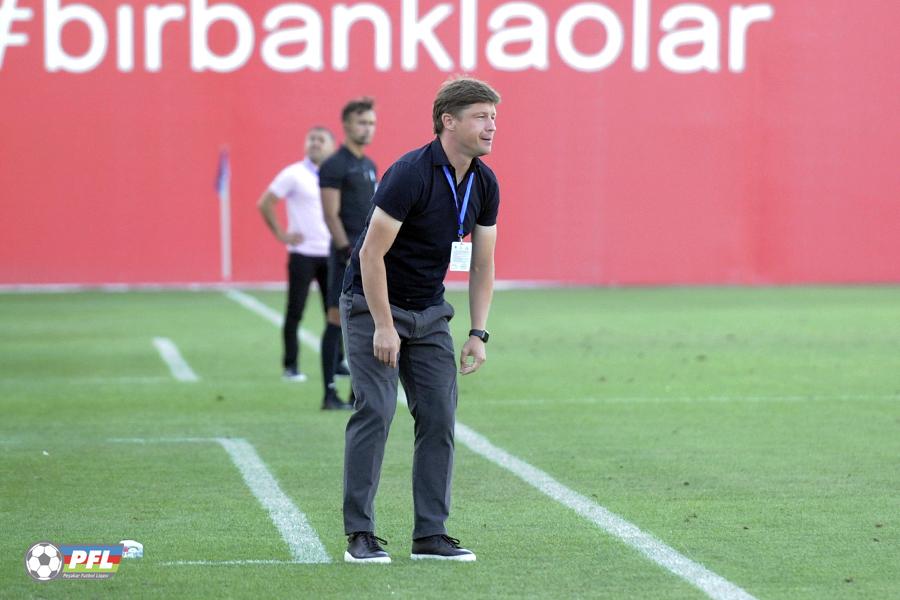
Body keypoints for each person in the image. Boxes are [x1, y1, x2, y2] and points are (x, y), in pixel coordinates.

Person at [340, 77, 501, 563]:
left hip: (430, 311)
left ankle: (430, 534)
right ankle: (360, 533)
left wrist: (477, 332)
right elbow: (370, 254)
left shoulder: (485, 182)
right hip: (374, 304)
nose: (491, 126)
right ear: (448, 121)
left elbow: (482, 264)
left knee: (438, 415)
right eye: (481, 116)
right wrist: (383, 325)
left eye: (494, 117)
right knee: (376, 409)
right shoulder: (410, 173)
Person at [257, 126, 348, 409]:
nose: (315, 144)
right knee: (295, 310)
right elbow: (265, 203)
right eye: (312, 139)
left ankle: (337, 362)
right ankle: (291, 365)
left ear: (332, 145)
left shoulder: (338, 174)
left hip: (331, 252)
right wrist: (282, 234)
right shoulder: (294, 174)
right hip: (303, 254)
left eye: (321, 140)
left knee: (335, 311)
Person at [319, 97, 378, 409]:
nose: (367, 129)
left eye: (371, 123)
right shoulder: (335, 165)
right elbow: (331, 214)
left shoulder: (369, 165)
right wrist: (345, 250)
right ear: (346, 125)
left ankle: (358, 392)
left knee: (368, 319)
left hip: (369, 256)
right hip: (346, 255)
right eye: (361, 122)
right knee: (335, 319)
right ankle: (329, 393)